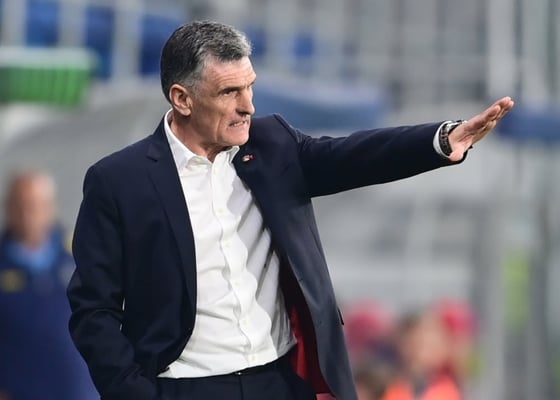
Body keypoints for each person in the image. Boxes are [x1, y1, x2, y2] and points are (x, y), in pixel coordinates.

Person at [66, 20, 514, 400]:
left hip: (279, 380)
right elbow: (93, 309)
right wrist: (133, 391)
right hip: (185, 387)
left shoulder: (272, 144)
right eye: (229, 92)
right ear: (182, 98)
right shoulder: (118, 181)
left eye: (250, 87)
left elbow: (354, 156)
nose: (248, 106)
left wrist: (441, 141)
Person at [0, 171, 97, 400]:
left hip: (80, 391)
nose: (28, 215)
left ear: (51, 207)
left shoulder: (81, 253)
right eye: (21, 206)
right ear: (8, 208)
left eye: (36, 206)